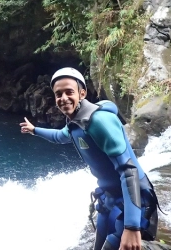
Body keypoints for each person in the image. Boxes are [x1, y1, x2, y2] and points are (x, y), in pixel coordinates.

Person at [20, 67, 166, 250]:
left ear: (82, 93)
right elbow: (59, 137)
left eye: (69, 92)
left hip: (137, 201)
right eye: (58, 94)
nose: (63, 98)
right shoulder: (74, 123)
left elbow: (128, 172)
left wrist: (132, 226)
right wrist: (34, 130)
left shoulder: (98, 122)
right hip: (111, 197)